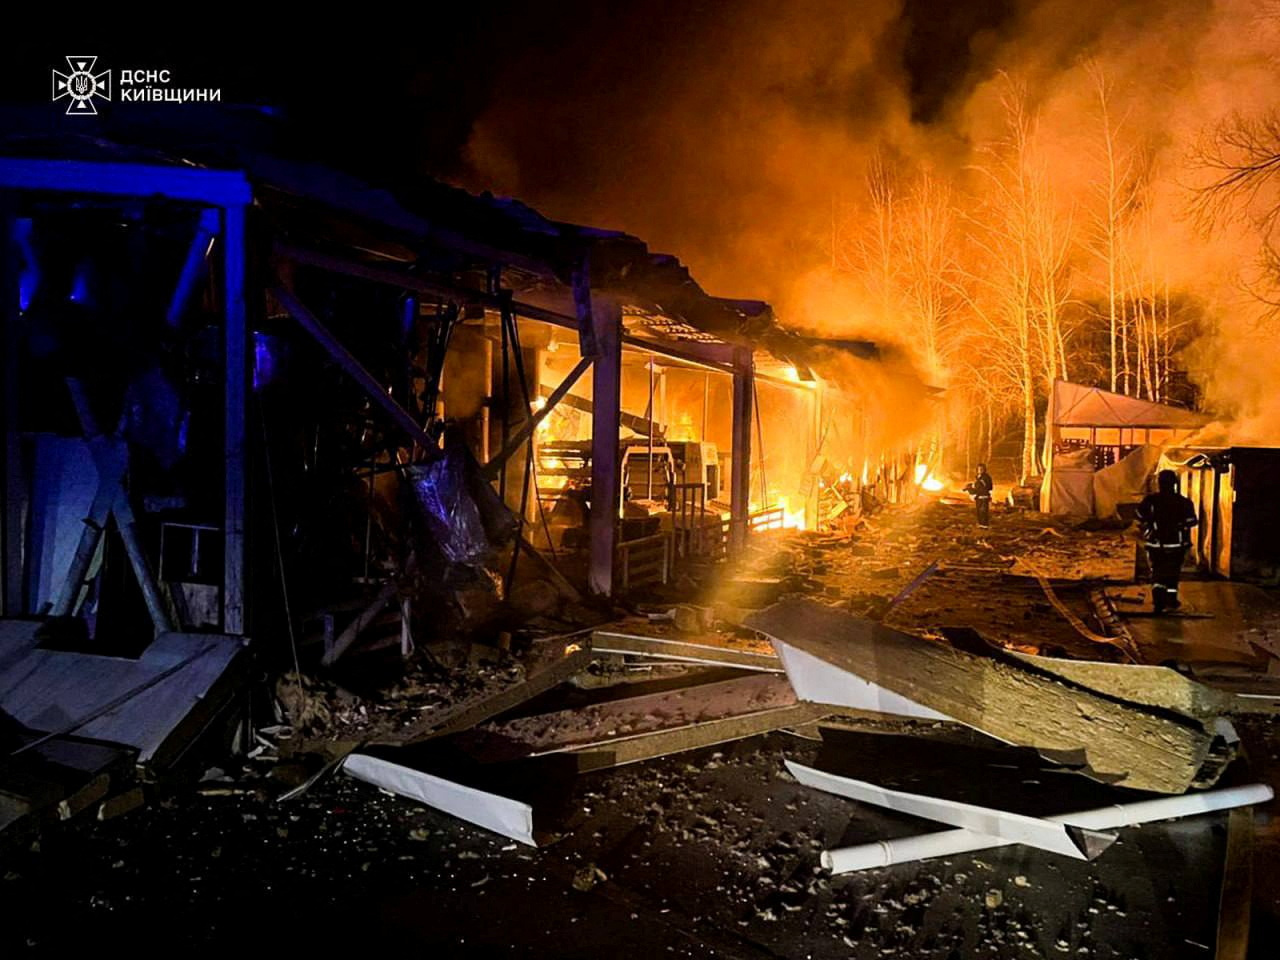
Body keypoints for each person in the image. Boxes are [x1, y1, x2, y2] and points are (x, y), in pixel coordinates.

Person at [1136, 469, 1198, 614]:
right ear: (1175, 484)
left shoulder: (1151, 501)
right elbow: (1192, 521)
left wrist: (1150, 521)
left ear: (1159, 483)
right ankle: (1171, 601)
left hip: (1155, 544)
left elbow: (1139, 515)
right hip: (1177, 545)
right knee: (1173, 573)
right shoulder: (1184, 502)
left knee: (1158, 571)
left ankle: (1158, 601)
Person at [964, 463, 994, 527]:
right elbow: (976, 488)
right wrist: (970, 488)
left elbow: (989, 487)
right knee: (979, 511)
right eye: (979, 469)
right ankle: (980, 524)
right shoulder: (978, 477)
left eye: (981, 469)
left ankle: (985, 525)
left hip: (984, 497)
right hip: (978, 497)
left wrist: (982, 485)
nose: (980, 470)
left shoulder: (986, 477)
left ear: (984, 469)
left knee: (983, 511)